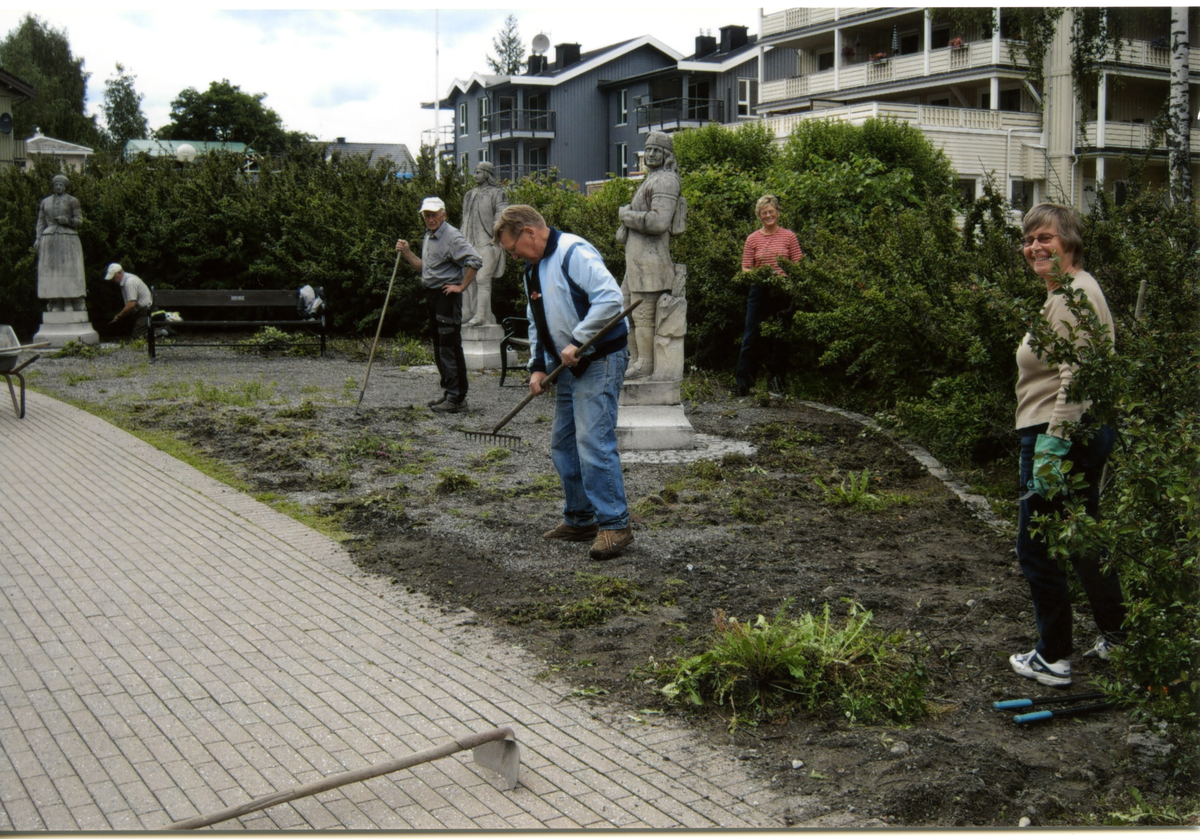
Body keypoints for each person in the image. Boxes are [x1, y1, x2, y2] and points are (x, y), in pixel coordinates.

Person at [1009, 202, 1124, 688]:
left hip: (1060, 433)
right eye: (1030, 238)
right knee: (1082, 540)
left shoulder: (1075, 294)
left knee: (1037, 547)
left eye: (1046, 238)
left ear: (1070, 242)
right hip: (1079, 430)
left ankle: (1053, 657)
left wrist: (1052, 447)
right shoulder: (1070, 292)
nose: (1036, 246)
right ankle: (1120, 636)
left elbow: (1076, 376)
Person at [493, 204, 633, 561]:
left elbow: (611, 299)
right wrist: (538, 366)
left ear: (528, 232)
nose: (513, 256)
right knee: (564, 443)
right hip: (567, 364)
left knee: (593, 440)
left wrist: (580, 340)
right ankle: (580, 518)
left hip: (600, 357)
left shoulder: (574, 252)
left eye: (513, 249)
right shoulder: (532, 270)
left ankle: (615, 524)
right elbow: (535, 318)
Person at [397, 197, 482, 413]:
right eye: (427, 215)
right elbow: (424, 268)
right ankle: (449, 393)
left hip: (447, 297)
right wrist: (406, 252)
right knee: (439, 346)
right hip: (433, 296)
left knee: (449, 347)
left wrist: (461, 286)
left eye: (434, 214)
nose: (430, 219)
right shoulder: (430, 236)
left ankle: (457, 399)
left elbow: (475, 260)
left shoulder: (452, 236)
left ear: (444, 214)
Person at [617, 131, 683, 379]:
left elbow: (659, 222)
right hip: (636, 262)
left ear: (667, 154)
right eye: (648, 149)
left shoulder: (666, 181)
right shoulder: (651, 179)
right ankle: (636, 361)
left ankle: (646, 364)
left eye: (657, 149)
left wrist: (626, 216)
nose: (651, 154)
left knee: (643, 315)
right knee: (627, 311)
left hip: (651, 262)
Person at [735, 194, 803, 397]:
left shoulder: (789, 236)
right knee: (751, 335)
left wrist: (785, 278)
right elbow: (746, 268)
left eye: (771, 211)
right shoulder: (752, 239)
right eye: (764, 212)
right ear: (759, 216)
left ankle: (776, 383)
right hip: (759, 290)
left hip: (782, 290)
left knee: (780, 337)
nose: (768, 215)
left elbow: (798, 264)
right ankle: (743, 382)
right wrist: (761, 276)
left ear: (778, 213)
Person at [460, 162, 509, 327]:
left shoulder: (498, 193)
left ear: (487, 174)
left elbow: (501, 217)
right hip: (469, 244)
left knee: (482, 279)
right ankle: (468, 313)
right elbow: (464, 219)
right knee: (467, 279)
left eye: (478, 172)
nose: (475, 175)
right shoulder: (469, 195)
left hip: (487, 243)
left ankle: (481, 315)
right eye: (475, 172)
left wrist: (495, 239)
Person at [35, 174, 86, 312]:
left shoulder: (72, 201)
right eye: (56, 184)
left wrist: (68, 221)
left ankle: (69, 301)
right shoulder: (45, 202)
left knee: (68, 270)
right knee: (52, 271)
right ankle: (55, 301)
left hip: (68, 238)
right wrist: (38, 238)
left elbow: (79, 220)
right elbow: (41, 221)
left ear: (65, 187)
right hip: (49, 239)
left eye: (61, 185)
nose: (58, 187)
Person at [104, 263, 153, 340]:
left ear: (120, 273)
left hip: (147, 310)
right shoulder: (125, 280)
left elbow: (131, 304)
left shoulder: (129, 282)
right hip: (141, 310)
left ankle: (161, 331)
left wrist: (119, 316)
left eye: (113, 277)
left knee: (137, 336)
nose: (112, 279)